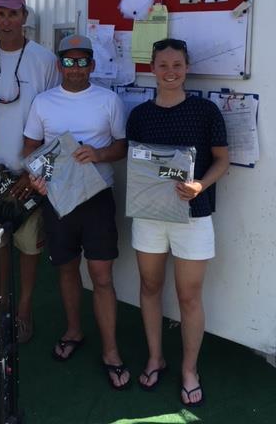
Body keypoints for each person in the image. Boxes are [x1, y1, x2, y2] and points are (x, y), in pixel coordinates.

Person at [125, 38, 229, 406]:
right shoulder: (139, 115)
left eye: (177, 65)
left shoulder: (205, 112)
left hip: (194, 217)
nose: (170, 72)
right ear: (152, 68)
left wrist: (200, 184)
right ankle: (156, 357)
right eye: (163, 65)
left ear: (187, 68)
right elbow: (137, 165)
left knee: (189, 296)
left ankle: (189, 369)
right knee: (150, 288)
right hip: (149, 217)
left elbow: (222, 160)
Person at [23, 34, 130, 389]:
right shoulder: (43, 102)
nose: (75, 68)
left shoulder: (109, 100)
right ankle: (73, 331)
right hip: (58, 200)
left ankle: (112, 350)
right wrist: (37, 178)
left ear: (93, 65)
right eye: (68, 61)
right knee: (67, 270)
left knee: (101, 277)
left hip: (97, 199)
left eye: (82, 61)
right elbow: (31, 150)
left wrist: (98, 154)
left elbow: (120, 146)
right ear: (59, 65)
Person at [0, 0, 60, 343]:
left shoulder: (44, 58)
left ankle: (23, 308)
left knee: (27, 244)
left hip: (30, 169)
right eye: (0, 13)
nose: (6, 21)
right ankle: (0, 300)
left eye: (13, 14)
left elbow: (52, 114)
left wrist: (36, 167)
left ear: (25, 17)